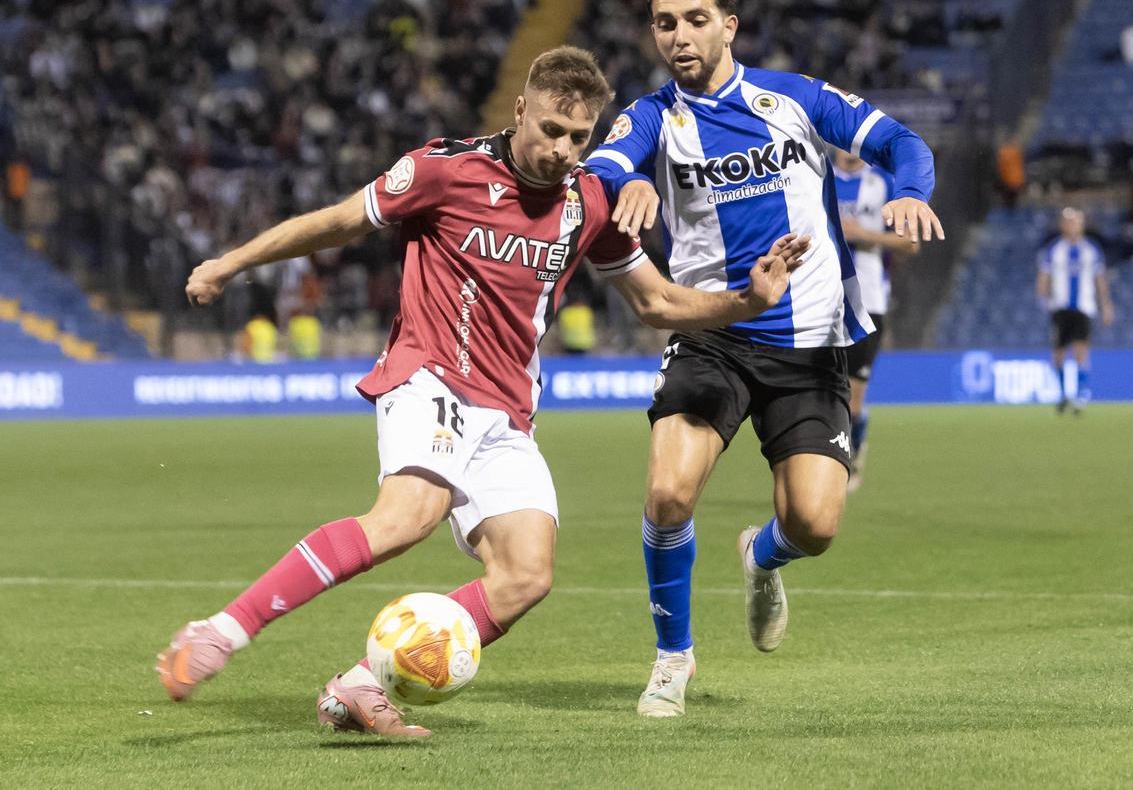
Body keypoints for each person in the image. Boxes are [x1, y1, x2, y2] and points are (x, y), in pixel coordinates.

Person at [156, 46, 808, 737]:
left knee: (527, 574)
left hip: (507, 413)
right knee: (406, 516)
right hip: (429, 375)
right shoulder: (445, 168)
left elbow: (655, 301)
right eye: (552, 129)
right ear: (521, 109)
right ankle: (222, 630)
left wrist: (744, 300)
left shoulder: (588, 201)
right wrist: (231, 263)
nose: (562, 149)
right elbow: (340, 220)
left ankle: (359, 683)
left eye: (578, 137)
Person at [586, 0, 943, 718]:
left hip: (811, 339)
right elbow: (599, 170)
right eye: (664, 22)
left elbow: (902, 141)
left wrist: (911, 192)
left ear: (728, 25)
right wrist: (631, 181)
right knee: (668, 490)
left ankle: (761, 555)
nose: (679, 36)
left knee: (814, 524)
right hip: (713, 331)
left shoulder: (795, 99)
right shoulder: (653, 116)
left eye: (694, 19)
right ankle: (671, 659)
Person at [832, 148, 918, 493]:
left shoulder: (882, 182)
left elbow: (910, 243)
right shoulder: (816, 176)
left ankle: (852, 453)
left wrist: (863, 235)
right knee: (822, 390)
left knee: (853, 397)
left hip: (867, 300)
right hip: (820, 299)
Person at [1036, 208, 1114, 414]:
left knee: (1080, 351)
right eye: (1068, 222)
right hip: (1059, 308)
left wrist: (1106, 305)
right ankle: (1063, 395)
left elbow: (1100, 279)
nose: (1071, 226)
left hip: (1083, 307)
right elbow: (1043, 276)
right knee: (1059, 354)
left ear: (1081, 225)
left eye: (1075, 222)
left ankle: (1081, 394)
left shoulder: (1091, 250)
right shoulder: (1054, 250)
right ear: (1062, 225)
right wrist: (1043, 297)